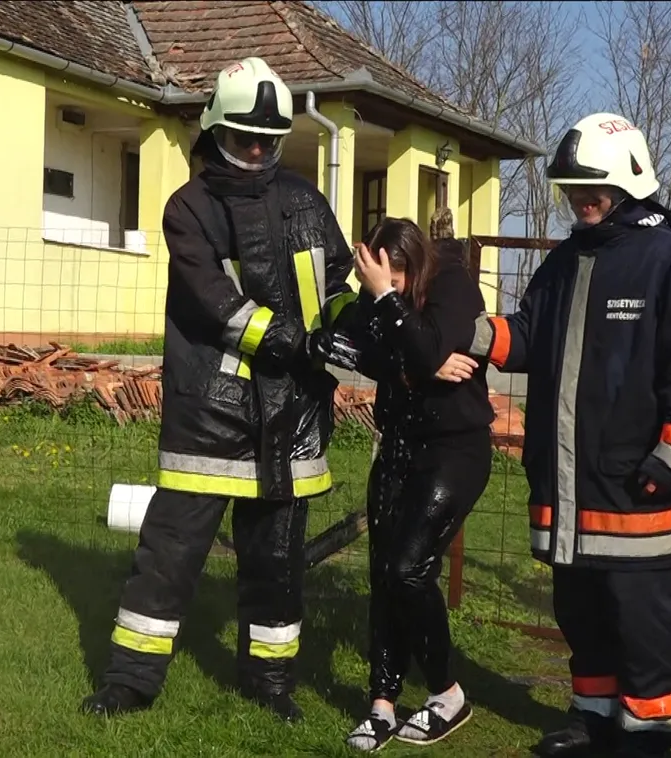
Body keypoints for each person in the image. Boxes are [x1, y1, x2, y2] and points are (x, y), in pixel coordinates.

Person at [80, 56, 362, 723]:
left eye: (269, 139)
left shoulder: (305, 201)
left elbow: (340, 280)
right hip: (211, 412)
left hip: (293, 414)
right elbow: (214, 302)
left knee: (276, 563)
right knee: (168, 557)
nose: (259, 151)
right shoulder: (189, 208)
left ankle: (269, 686)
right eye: (245, 138)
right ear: (214, 132)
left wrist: (349, 329)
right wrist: (297, 342)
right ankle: (130, 682)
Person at [470, 113, 671, 758]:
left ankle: (648, 729)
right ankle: (594, 716)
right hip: (570, 484)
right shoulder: (563, 260)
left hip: (640, 486)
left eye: (591, 186)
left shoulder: (669, 258)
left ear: (630, 182)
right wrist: (465, 332)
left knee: (643, 618)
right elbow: (528, 335)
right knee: (579, 611)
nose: (580, 198)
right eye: (572, 186)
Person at [339, 220, 495, 752]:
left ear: (412, 261)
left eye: (397, 273)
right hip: (399, 446)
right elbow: (358, 349)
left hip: (455, 446)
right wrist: (415, 367)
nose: (390, 285)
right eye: (381, 276)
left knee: (408, 570)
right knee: (384, 572)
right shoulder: (377, 298)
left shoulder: (452, 282)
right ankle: (382, 703)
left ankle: (447, 693)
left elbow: (428, 346)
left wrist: (389, 303)